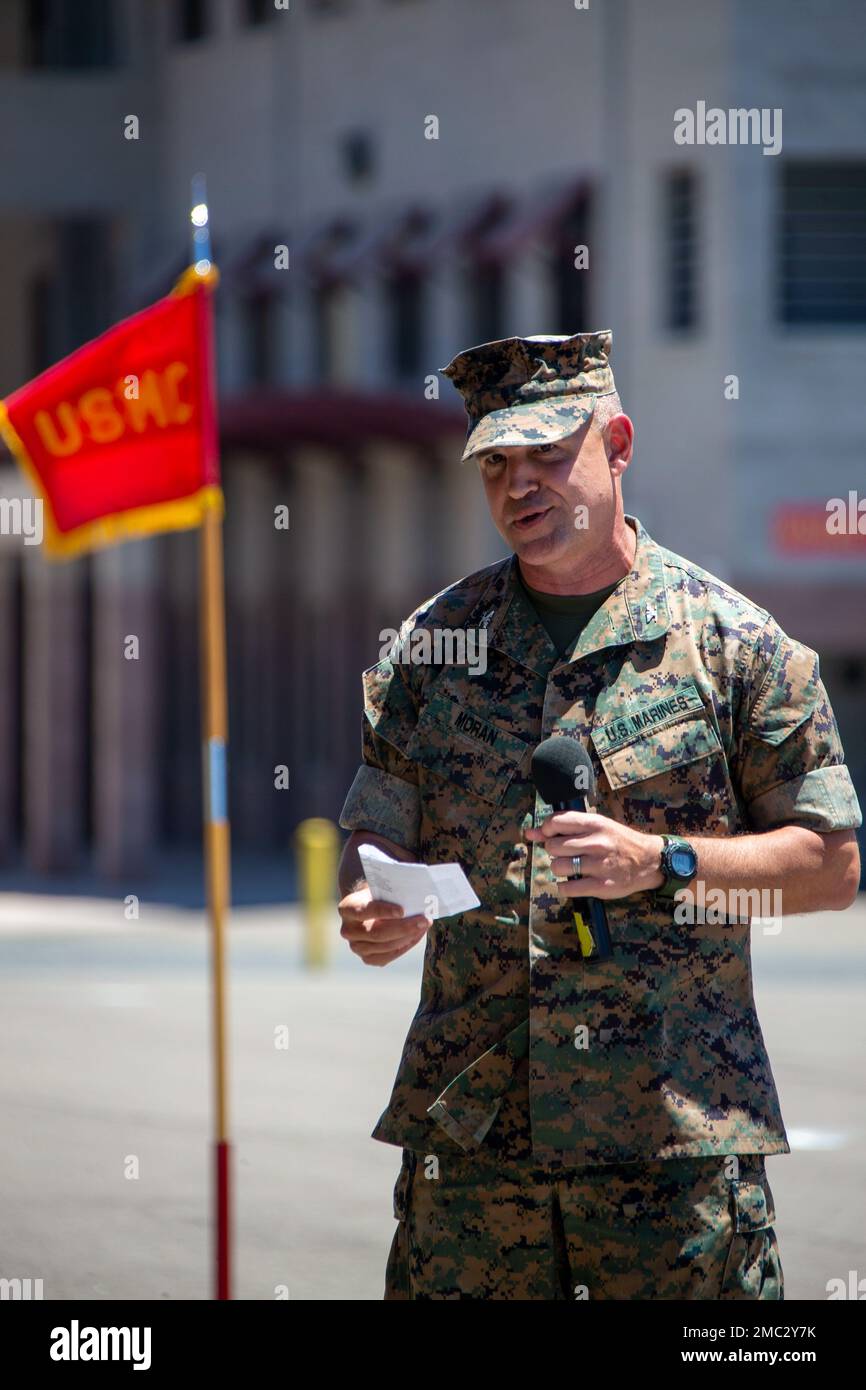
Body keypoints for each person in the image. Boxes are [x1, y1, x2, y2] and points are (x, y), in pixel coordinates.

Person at [336, 329, 862, 1301]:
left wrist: (662, 863)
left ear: (615, 444)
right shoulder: (432, 648)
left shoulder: (734, 646)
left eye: (547, 454)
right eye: (495, 462)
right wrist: (374, 901)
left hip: (669, 1154)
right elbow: (376, 828)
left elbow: (829, 864)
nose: (518, 485)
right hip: (475, 1157)